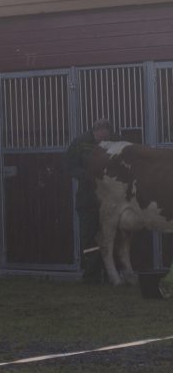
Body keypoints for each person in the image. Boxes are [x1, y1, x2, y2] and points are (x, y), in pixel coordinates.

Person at [63, 118, 115, 282]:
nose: (104, 141)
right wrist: (88, 177)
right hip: (88, 197)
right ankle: (91, 275)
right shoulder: (80, 143)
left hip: (108, 198)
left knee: (109, 235)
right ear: (95, 131)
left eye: (107, 137)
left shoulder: (114, 140)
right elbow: (70, 167)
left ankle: (110, 273)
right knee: (90, 236)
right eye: (102, 137)